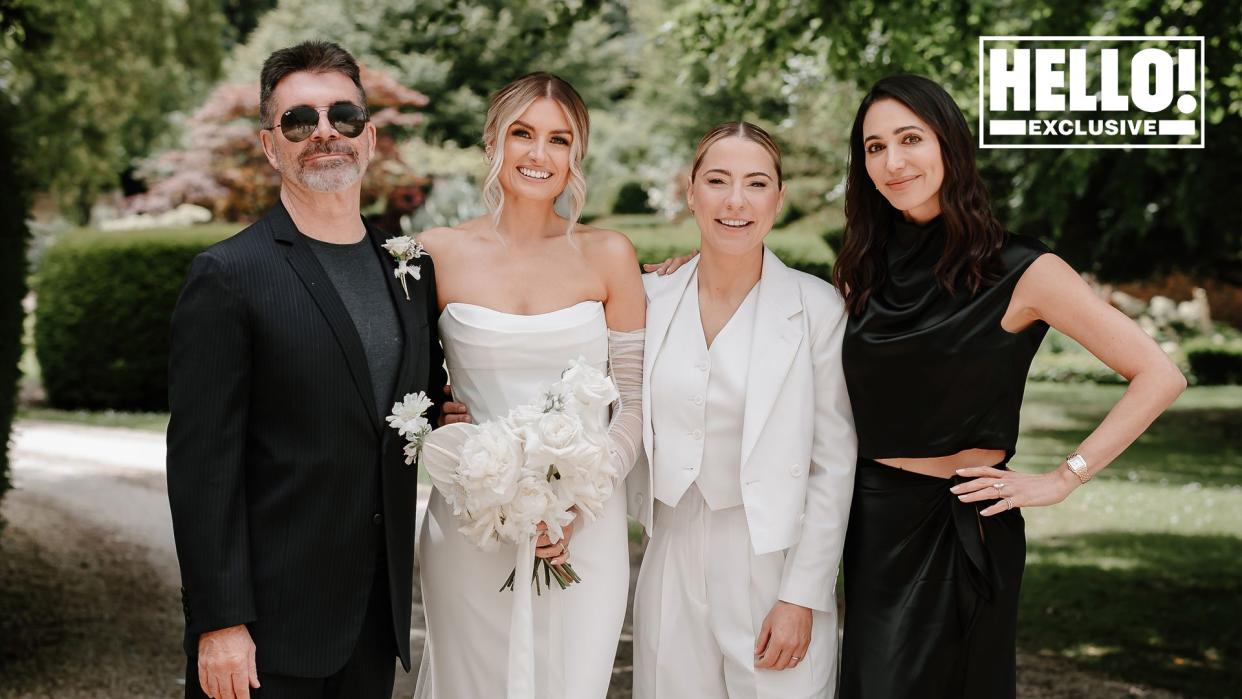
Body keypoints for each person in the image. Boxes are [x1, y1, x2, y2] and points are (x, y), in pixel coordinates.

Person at [831, 74, 1187, 698]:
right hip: (877, 520)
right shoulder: (861, 269)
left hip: (974, 515)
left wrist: (1064, 477)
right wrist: (684, 273)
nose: (892, 161)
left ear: (950, 144)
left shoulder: (1023, 268)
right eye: (874, 146)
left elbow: (1159, 374)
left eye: (910, 138)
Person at [167, 41, 467, 699]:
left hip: (371, 626)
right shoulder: (228, 276)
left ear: (370, 135)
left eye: (343, 116)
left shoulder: (408, 274)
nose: (324, 133)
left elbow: (410, 398)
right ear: (270, 145)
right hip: (263, 633)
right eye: (299, 121)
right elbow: (201, 469)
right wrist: (219, 623)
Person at [412, 72, 646, 699]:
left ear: (576, 154)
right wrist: (440, 420)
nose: (539, 155)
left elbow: (633, 400)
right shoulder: (434, 253)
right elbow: (402, 376)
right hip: (469, 519)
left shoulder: (610, 255)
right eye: (522, 134)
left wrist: (575, 501)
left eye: (558, 139)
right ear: (494, 140)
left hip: (584, 529)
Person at [629, 122, 856, 699]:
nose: (736, 201)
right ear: (691, 191)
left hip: (773, 559)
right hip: (671, 552)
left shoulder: (816, 308)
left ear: (778, 199)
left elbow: (834, 464)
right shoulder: (648, 298)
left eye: (756, 184)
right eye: (718, 180)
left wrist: (802, 594)